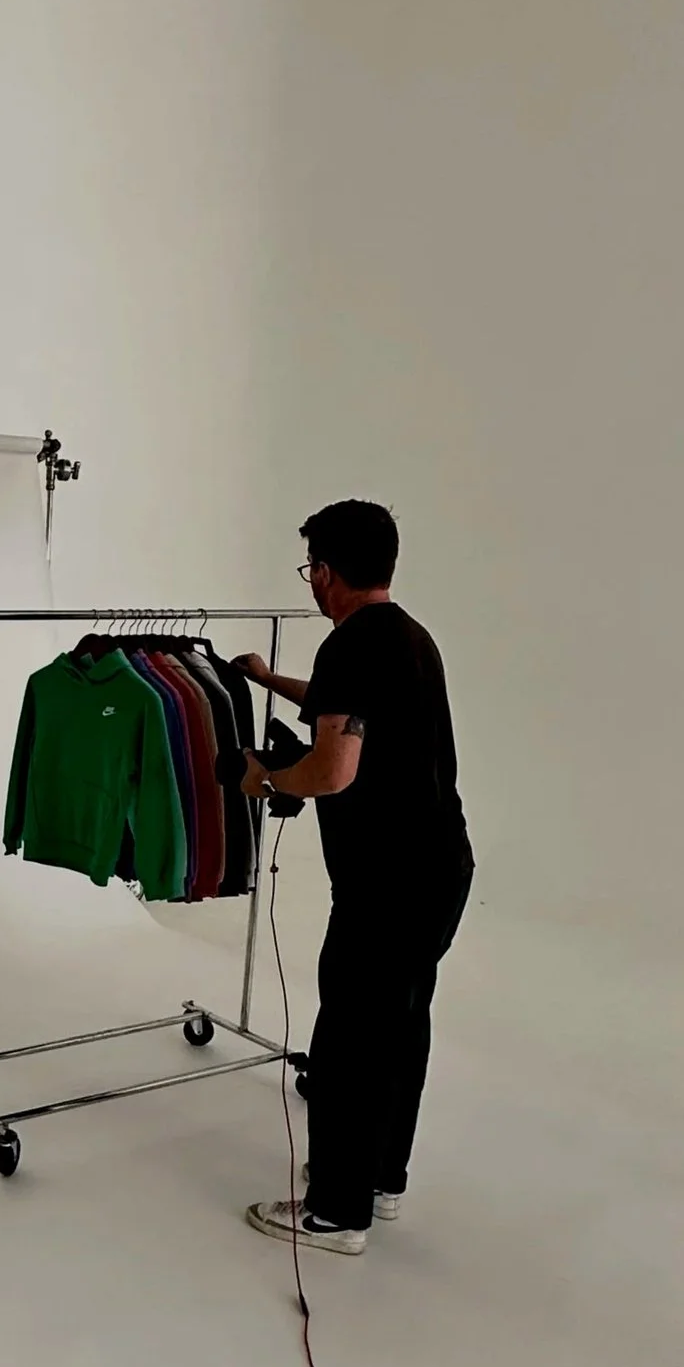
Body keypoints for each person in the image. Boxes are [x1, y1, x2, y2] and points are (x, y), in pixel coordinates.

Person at [231, 500, 473, 1254]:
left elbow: (333, 768)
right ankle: (380, 1180)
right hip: (441, 871)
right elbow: (347, 707)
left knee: (346, 1041)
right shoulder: (409, 638)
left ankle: (336, 1212)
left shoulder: (348, 646)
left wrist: (266, 780)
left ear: (326, 572)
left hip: (385, 884)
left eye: (311, 567)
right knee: (399, 1029)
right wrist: (270, 679)